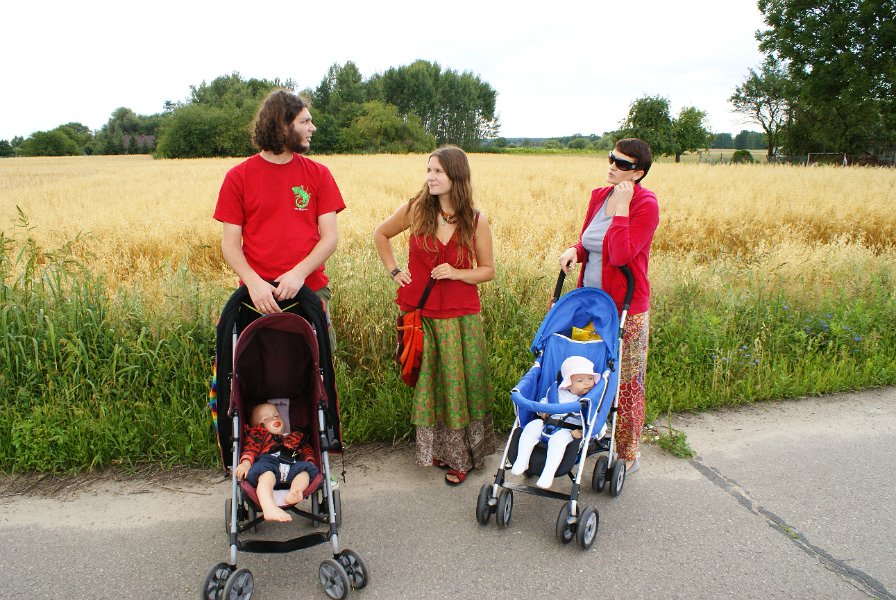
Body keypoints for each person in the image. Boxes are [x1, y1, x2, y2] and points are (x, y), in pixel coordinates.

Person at [373, 145, 496, 486]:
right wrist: (394, 270)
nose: (430, 177)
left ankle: (462, 457)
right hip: (422, 313)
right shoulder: (416, 209)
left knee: (458, 385)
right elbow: (381, 234)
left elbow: (487, 270)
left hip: (461, 317)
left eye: (438, 171)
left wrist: (456, 273)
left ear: (456, 175)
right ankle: (441, 450)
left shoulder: (475, 220)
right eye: (429, 170)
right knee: (431, 384)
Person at [558, 138, 659, 475]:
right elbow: (590, 241)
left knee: (627, 383)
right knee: (586, 372)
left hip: (625, 308)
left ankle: (627, 453)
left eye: (623, 164)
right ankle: (591, 433)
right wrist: (575, 250)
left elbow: (619, 254)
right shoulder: (599, 196)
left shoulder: (646, 204)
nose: (613, 166)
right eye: (611, 158)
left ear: (638, 173)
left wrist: (623, 208)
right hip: (588, 305)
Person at [213, 89, 345, 336]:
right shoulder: (238, 177)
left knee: (317, 359)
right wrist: (254, 283)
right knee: (255, 360)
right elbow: (230, 244)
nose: (313, 128)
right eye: (305, 121)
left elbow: (330, 238)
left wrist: (298, 275)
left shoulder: (319, 174)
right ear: (282, 125)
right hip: (257, 297)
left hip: (310, 290)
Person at [511, 356, 605, 489]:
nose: (587, 383)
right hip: (547, 425)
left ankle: (548, 473)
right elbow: (543, 403)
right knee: (532, 426)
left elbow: (598, 422)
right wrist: (542, 412)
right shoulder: (556, 392)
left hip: (568, 432)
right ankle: (522, 460)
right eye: (580, 380)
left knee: (558, 440)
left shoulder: (590, 400)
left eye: (590, 378)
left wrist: (583, 432)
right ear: (568, 383)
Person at [234, 402, 319, 522]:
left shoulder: (295, 437)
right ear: (258, 426)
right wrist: (246, 463)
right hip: (269, 464)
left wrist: (310, 460)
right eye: (266, 419)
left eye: (276, 415)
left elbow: (306, 450)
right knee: (266, 476)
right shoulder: (260, 435)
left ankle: (295, 491)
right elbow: (251, 448)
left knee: (305, 471)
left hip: (292, 465)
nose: (274, 419)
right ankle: (269, 507)